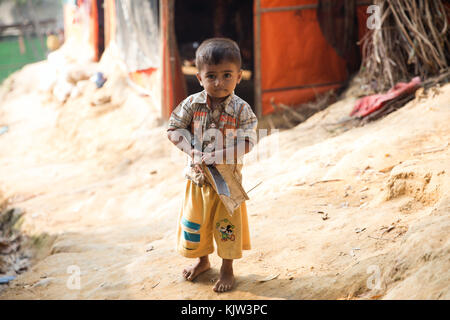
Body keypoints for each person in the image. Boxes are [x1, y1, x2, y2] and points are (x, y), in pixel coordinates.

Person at [166, 38, 258, 293]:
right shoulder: (192, 104)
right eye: (212, 76)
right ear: (199, 77)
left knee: (227, 226)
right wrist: (191, 150)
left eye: (227, 75)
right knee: (197, 223)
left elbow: (249, 141)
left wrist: (223, 154)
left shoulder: (242, 109)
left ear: (239, 76)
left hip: (228, 183)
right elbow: (174, 129)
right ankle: (203, 261)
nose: (219, 83)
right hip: (197, 180)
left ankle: (227, 267)